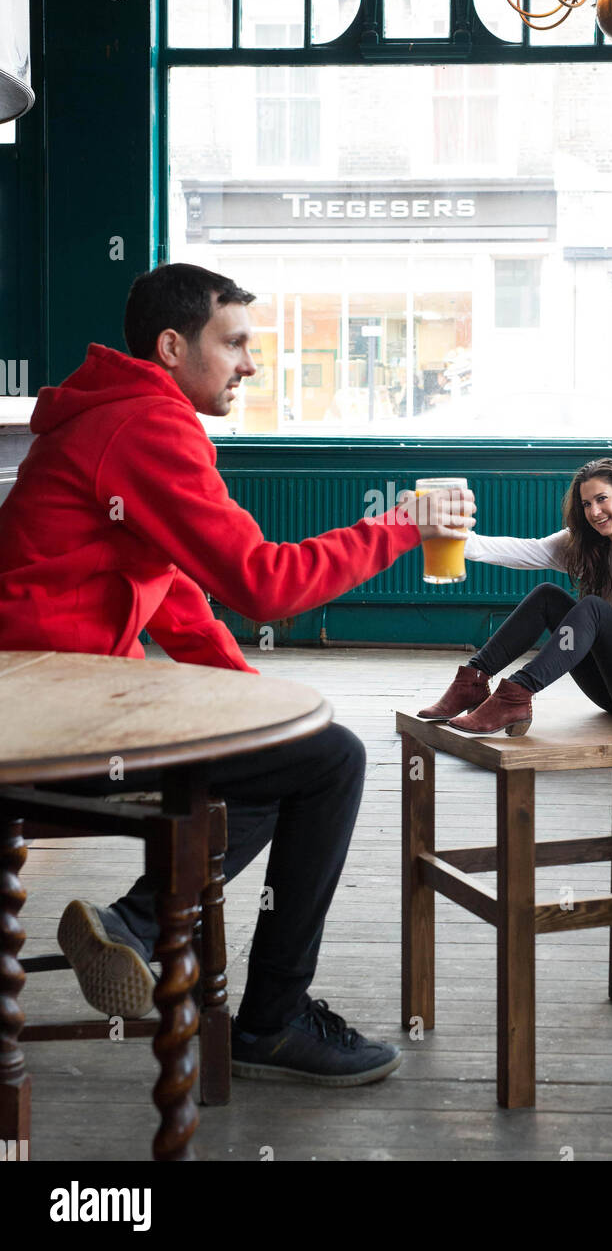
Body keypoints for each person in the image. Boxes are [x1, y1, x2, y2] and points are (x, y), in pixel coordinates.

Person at [0, 262, 475, 1087]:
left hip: (48, 697)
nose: (250, 364)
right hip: (40, 727)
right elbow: (263, 583)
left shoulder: (115, 417)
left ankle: (141, 924)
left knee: (294, 752)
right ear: (173, 345)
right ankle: (264, 1016)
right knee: (328, 763)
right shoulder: (146, 424)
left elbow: (176, 597)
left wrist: (257, 705)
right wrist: (401, 523)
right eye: (236, 344)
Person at [418, 458, 612, 741]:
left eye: (602, 499)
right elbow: (522, 551)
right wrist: (448, 536)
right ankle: (472, 681)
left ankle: (515, 696)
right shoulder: (593, 545)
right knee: (548, 596)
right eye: (586, 504)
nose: (594, 512)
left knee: (593, 610)